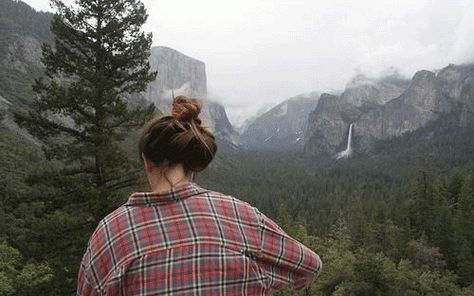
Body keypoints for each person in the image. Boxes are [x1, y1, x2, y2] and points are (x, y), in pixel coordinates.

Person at [76, 96, 322, 295]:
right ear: (194, 162)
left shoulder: (111, 232)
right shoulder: (240, 216)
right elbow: (310, 265)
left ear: (146, 161)